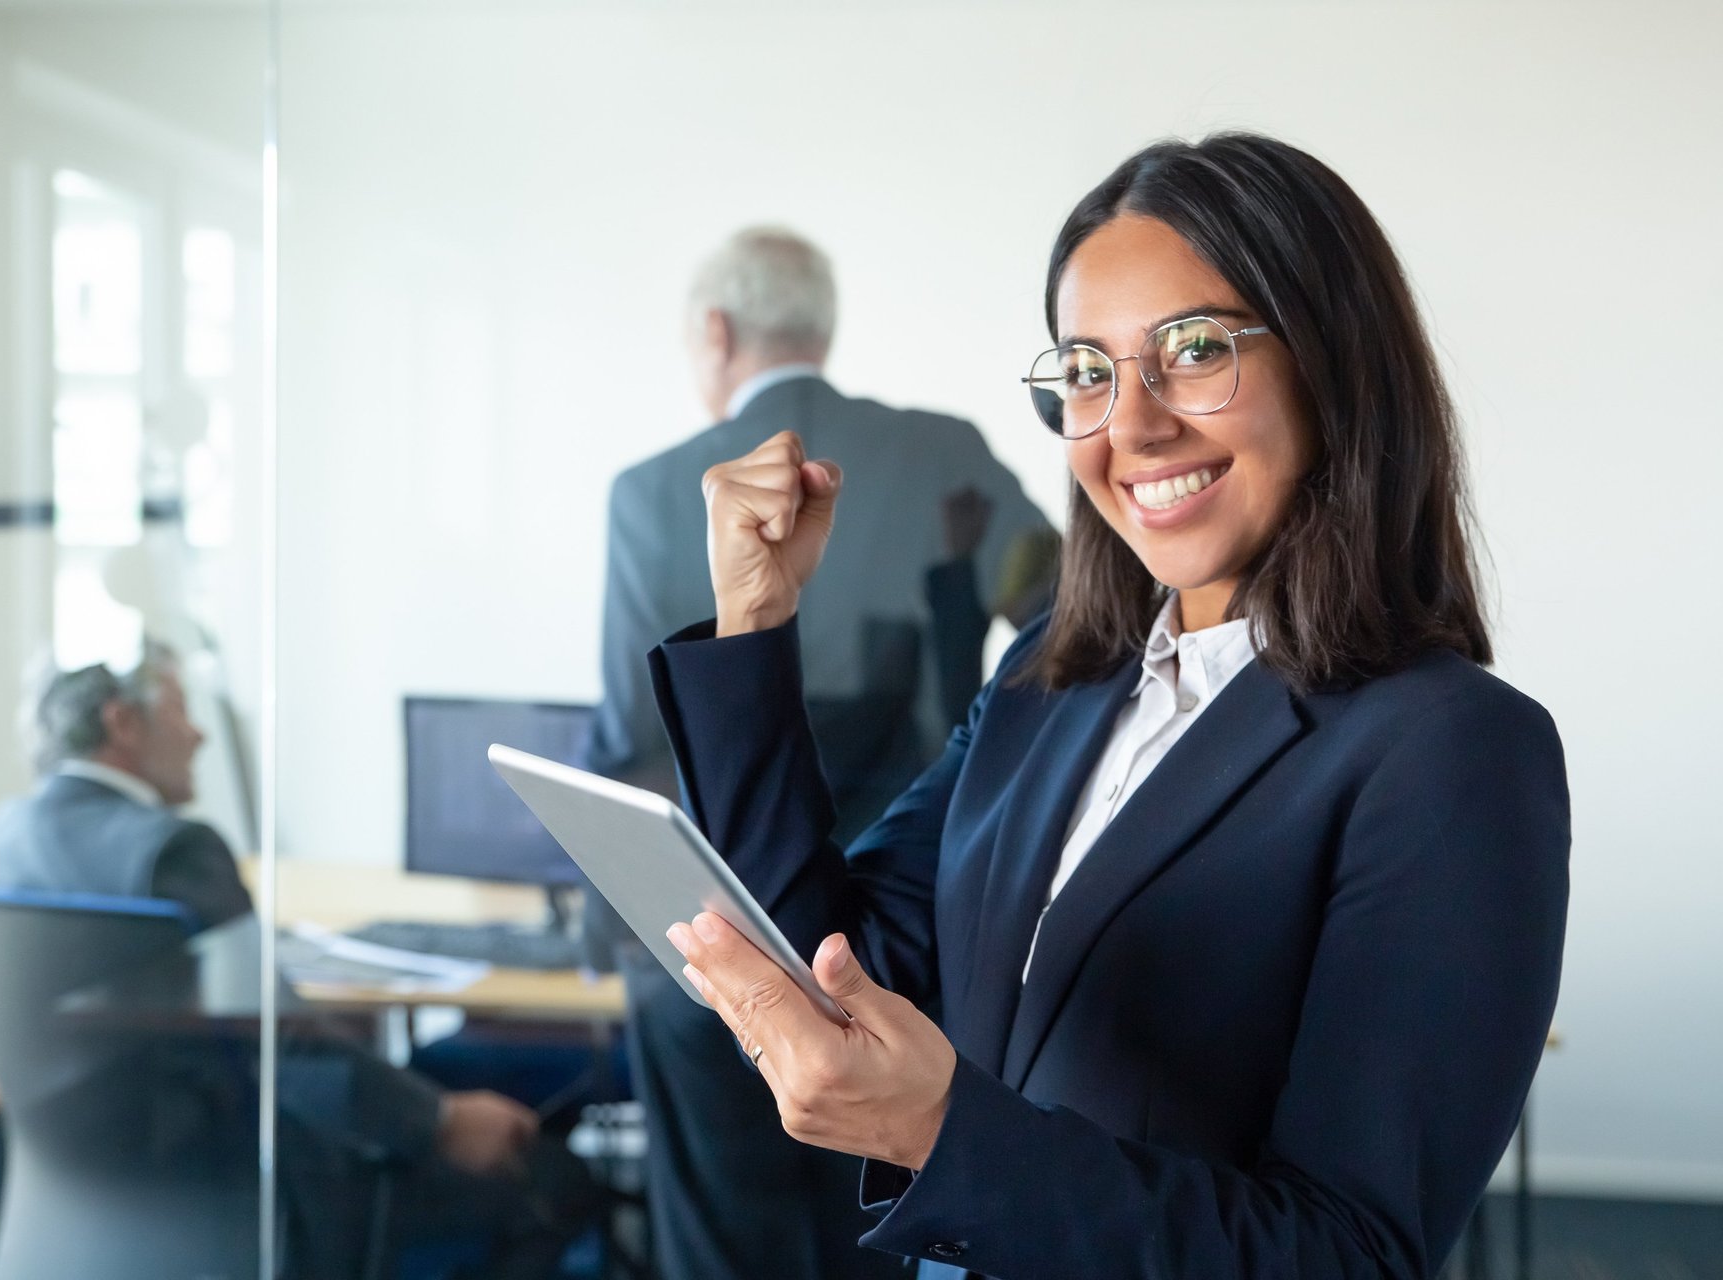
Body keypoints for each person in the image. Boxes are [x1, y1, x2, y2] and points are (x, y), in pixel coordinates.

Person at [654, 133, 1570, 1278]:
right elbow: (830, 958)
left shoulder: (1452, 751)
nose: (1131, 424)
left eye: (1193, 351)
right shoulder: (1054, 677)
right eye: (1087, 369)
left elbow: (1349, 1254)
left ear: (1333, 364)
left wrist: (938, 1134)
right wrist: (753, 623)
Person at [584, 227, 1052, 1280]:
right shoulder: (948, 453)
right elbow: (1071, 633)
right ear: (820, 326)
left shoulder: (653, 490)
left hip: (710, 940)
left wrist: (602, 936)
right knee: (889, 1230)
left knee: (719, 1242)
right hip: (911, 940)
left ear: (714, 332)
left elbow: (627, 738)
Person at [0, 643, 594, 1279]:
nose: (201, 734)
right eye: (180, 712)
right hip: (247, 1189)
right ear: (122, 723)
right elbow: (276, 1037)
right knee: (554, 1181)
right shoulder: (172, 851)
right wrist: (439, 1120)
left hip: (75, 1193)